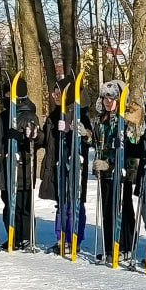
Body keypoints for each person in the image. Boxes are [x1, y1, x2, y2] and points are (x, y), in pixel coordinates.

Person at [38, 77, 92, 253]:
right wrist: (33, 135)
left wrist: (71, 129)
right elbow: (44, 139)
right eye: (54, 92)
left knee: (73, 202)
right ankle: (61, 238)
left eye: (58, 92)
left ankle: (74, 237)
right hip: (57, 164)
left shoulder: (80, 114)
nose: (55, 96)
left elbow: (88, 140)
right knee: (61, 203)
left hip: (74, 165)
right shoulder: (54, 116)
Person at [92, 80, 141, 262]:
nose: (107, 101)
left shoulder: (127, 120)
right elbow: (98, 142)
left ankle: (125, 246)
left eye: (111, 97)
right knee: (107, 208)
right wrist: (86, 134)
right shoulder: (101, 119)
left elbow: (129, 147)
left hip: (122, 172)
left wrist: (111, 163)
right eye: (105, 97)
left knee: (121, 207)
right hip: (104, 172)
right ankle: (109, 245)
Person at [0, 76, 41, 250]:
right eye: (6, 93)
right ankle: (12, 234)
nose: (7, 96)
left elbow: (38, 138)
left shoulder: (29, 115)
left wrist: (23, 137)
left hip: (22, 168)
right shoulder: (2, 117)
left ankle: (26, 237)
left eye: (10, 93)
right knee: (9, 204)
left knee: (23, 205)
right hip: (5, 168)